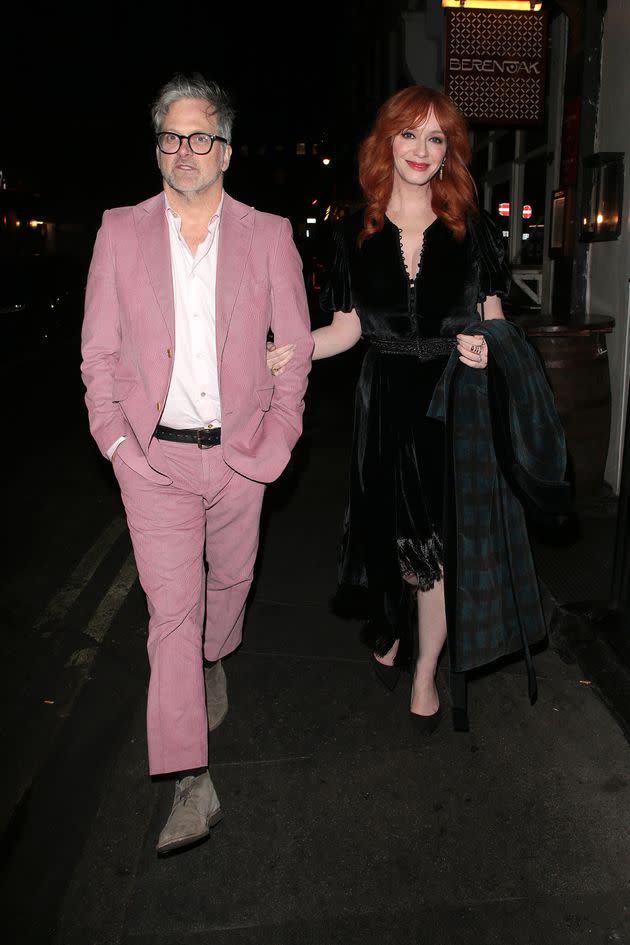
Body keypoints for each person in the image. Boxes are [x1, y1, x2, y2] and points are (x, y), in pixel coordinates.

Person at [268, 84, 569, 733]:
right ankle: (391, 627)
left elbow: (496, 321)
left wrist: (489, 349)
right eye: (410, 133)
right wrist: (287, 352)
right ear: (387, 142)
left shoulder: (473, 229)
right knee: (390, 544)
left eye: (437, 138)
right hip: (383, 405)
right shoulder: (356, 232)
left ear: (449, 152)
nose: (421, 149)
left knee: (431, 550)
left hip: (452, 406)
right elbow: (347, 328)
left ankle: (426, 668)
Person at [81, 72, 313, 854]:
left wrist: (279, 438)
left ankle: (218, 656)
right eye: (173, 137)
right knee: (170, 617)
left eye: (202, 136)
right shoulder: (117, 232)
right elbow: (98, 356)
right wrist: (118, 445)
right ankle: (190, 781)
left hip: (243, 457)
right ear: (158, 150)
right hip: (157, 464)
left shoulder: (269, 234)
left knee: (229, 586)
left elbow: (298, 348)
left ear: (227, 150)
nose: (187, 150)